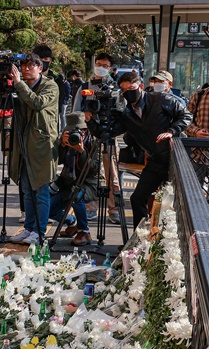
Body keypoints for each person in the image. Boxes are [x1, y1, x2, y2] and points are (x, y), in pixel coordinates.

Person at [88, 71, 191, 229]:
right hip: (156, 160)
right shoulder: (126, 113)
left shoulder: (161, 99)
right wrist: (89, 119)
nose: (127, 92)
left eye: (131, 88)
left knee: (176, 204)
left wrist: (171, 131)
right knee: (137, 199)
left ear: (141, 87)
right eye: (123, 90)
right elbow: (105, 133)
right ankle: (139, 241)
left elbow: (186, 116)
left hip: (176, 159)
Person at [0, 53, 59, 244]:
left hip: (41, 145)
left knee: (41, 190)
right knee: (26, 191)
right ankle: (29, 229)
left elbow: (37, 103)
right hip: (21, 143)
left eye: (31, 66)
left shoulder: (50, 85)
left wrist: (19, 84)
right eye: (23, 66)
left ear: (40, 68)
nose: (26, 69)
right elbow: (0, 104)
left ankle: (39, 231)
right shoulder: (18, 84)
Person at [71, 52, 121, 225]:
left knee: (111, 174)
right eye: (98, 64)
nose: (101, 67)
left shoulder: (116, 88)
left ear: (111, 68)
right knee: (90, 172)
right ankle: (91, 207)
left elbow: (121, 112)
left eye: (105, 65)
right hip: (89, 135)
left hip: (108, 135)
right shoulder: (85, 86)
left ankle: (113, 209)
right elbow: (76, 111)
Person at [50, 113, 99, 246]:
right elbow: (57, 162)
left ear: (86, 130)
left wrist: (81, 151)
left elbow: (93, 169)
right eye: (71, 131)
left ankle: (84, 232)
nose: (76, 135)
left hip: (89, 184)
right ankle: (72, 223)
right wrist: (62, 146)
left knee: (76, 195)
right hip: (68, 183)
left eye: (79, 131)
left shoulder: (94, 141)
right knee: (47, 207)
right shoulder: (65, 141)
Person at [33, 44, 69, 132]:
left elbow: (59, 105)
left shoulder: (57, 81)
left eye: (45, 59)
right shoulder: (27, 80)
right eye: (39, 59)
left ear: (50, 60)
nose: (42, 62)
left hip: (49, 124)